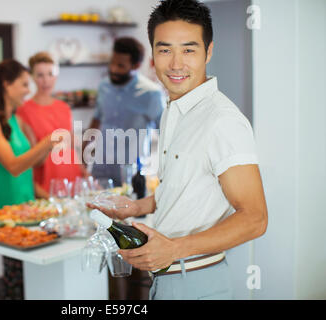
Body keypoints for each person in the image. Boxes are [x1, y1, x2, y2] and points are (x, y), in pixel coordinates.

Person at [88, 0, 268, 300]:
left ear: (208, 52)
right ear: (152, 56)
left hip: (196, 276)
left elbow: (255, 218)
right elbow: (181, 186)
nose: (175, 63)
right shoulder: (173, 109)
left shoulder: (222, 120)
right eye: (165, 49)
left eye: (188, 49)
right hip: (170, 276)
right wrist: (137, 207)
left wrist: (174, 248)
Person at [0, 59, 58, 299]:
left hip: (27, 210)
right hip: (5, 215)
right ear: (5, 84)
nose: (28, 91)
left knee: (34, 281)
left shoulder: (16, 120)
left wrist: (50, 197)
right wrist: (45, 143)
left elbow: (31, 166)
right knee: (18, 281)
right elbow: (13, 166)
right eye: (23, 84)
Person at [84, 37, 166, 186]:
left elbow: (166, 132)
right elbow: (97, 119)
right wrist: (83, 156)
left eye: (120, 65)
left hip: (132, 173)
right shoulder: (104, 86)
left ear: (136, 65)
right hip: (101, 168)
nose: (113, 69)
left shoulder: (151, 93)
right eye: (112, 63)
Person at [17, 52, 87, 198]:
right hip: (46, 184)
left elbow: (72, 148)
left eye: (50, 74)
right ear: (32, 77)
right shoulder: (23, 111)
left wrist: (85, 174)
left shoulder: (64, 108)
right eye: (40, 75)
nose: (46, 80)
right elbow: (28, 158)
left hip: (73, 180)